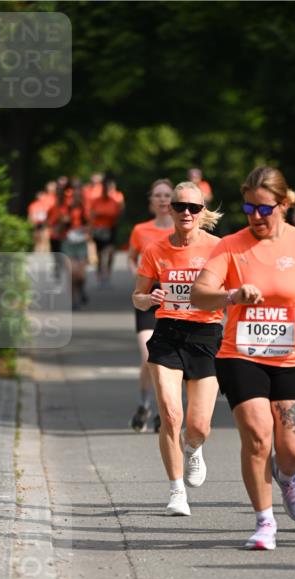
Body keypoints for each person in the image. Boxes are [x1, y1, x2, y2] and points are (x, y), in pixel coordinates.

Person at [191, 165, 295, 550]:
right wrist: (232, 296)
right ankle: (264, 522)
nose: (256, 217)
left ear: (283, 204)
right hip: (241, 354)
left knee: (293, 451)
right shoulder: (230, 246)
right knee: (257, 437)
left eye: (264, 209)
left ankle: (287, 477)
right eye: (249, 209)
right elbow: (198, 293)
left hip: (294, 355)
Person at [132, 183, 223, 515]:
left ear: (203, 212)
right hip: (168, 333)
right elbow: (138, 296)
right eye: (180, 206)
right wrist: (149, 298)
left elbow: (232, 291)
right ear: (170, 210)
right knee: (171, 414)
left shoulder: (218, 248)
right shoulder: (155, 250)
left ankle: (194, 447)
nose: (187, 213)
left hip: (206, 335)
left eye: (194, 208)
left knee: (199, 425)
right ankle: (176, 492)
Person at [127, 179, 175, 432]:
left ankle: (161, 410)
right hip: (147, 296)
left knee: (168, 359)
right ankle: (145, 403)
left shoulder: (183, 229)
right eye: (158, 195)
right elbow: (131, 258)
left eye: (168, 195)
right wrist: (138, 275)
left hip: (176, 298)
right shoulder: (140, 230)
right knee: (148, 356)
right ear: (151, 201)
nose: (163, 199)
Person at [60, 181, 90, 310]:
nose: (76, 196)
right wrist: (64, 221)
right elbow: (57, 226)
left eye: (79, 193)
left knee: (81, 275)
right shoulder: (65, 208)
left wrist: (84, 230)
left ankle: (81, 289)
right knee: (72, 273)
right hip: (68, 243)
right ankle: (73, 301)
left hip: (81, 242)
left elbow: (91, 226)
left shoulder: (86, 208)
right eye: (74, 194)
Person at [89, 175, 125, 285]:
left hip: (111, 228)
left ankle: (108, 273)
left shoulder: (114, 201)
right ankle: (100, 274)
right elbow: (92, 214)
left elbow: (118, 213)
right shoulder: (96, 201)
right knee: (99, 254)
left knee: (110, 252)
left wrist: (106, 215)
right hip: (98, 229)